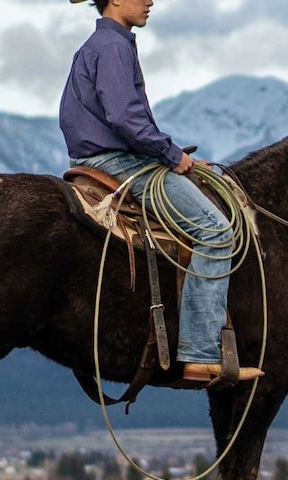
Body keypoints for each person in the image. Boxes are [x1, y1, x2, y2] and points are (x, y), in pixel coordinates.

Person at [60, 0, 262, 383]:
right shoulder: (113, 46)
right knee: (217, 232)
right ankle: (200, 354)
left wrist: (174, 156)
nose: (150, 1)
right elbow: (124, 117)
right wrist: (172, 156)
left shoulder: (100, 45)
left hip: (102, 159)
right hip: (120, 164)